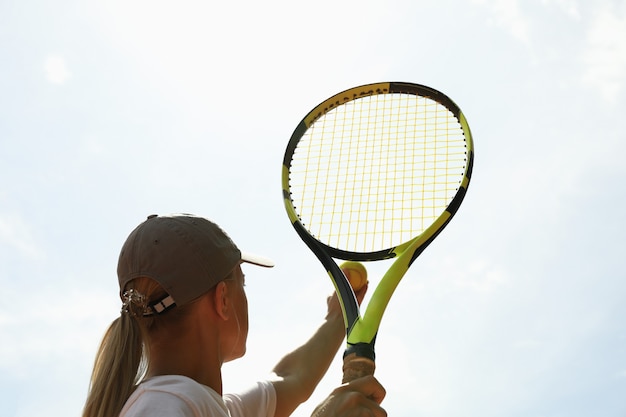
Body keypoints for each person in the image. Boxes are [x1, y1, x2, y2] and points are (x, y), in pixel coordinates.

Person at [82, 213, 386, 417]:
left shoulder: (200, 404)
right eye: (242, 281)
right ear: (223, 299)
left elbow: (291, 377)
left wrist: (337, 317)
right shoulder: (164, 405)